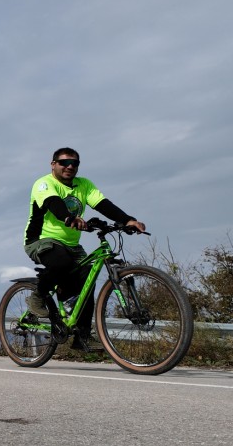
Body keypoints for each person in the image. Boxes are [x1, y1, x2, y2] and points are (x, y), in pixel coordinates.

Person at [23, 147, 146, 350]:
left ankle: (82, 336)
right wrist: (69, 217)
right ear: (53, 164)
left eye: (75, 163)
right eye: (64, 162)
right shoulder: (44, 183)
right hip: (41, 240)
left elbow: (103, 204)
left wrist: (128, 220)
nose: (70, 166)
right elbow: (54, 203)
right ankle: (38, 296)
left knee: (88, 278)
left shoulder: (84, 185)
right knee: (61, 262)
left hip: (71, 245)